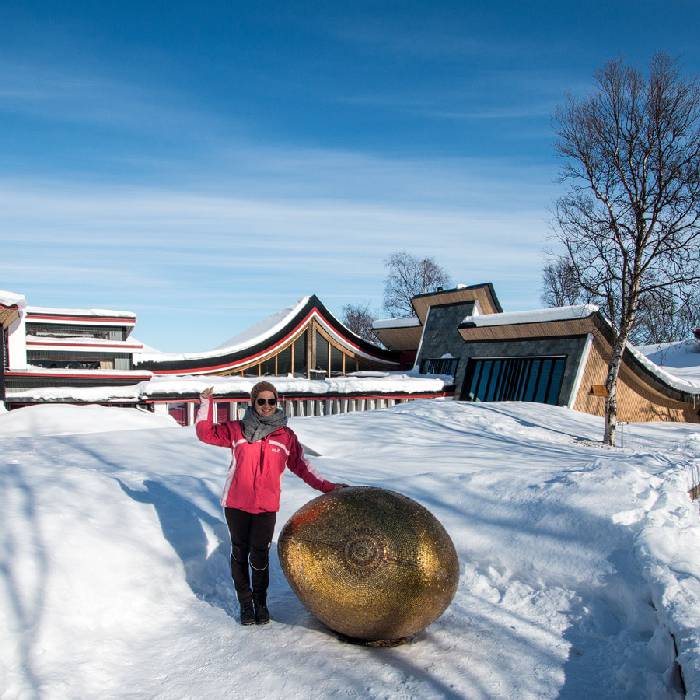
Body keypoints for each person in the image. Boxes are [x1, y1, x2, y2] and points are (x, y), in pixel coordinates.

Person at [195, 380, 346, 626]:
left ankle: (261, 603)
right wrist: (205, 403)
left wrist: (328, 487)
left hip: (266, 506)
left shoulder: (285, 436)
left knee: (260, 555)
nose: (266, 406)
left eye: (271, 401)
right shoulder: (237, 430)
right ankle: (246, 604)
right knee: (239, 553)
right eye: (261, 401)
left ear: (277, 402)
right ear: (253, 403)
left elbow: (302, 467)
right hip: (236, 503)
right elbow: (205, 433)